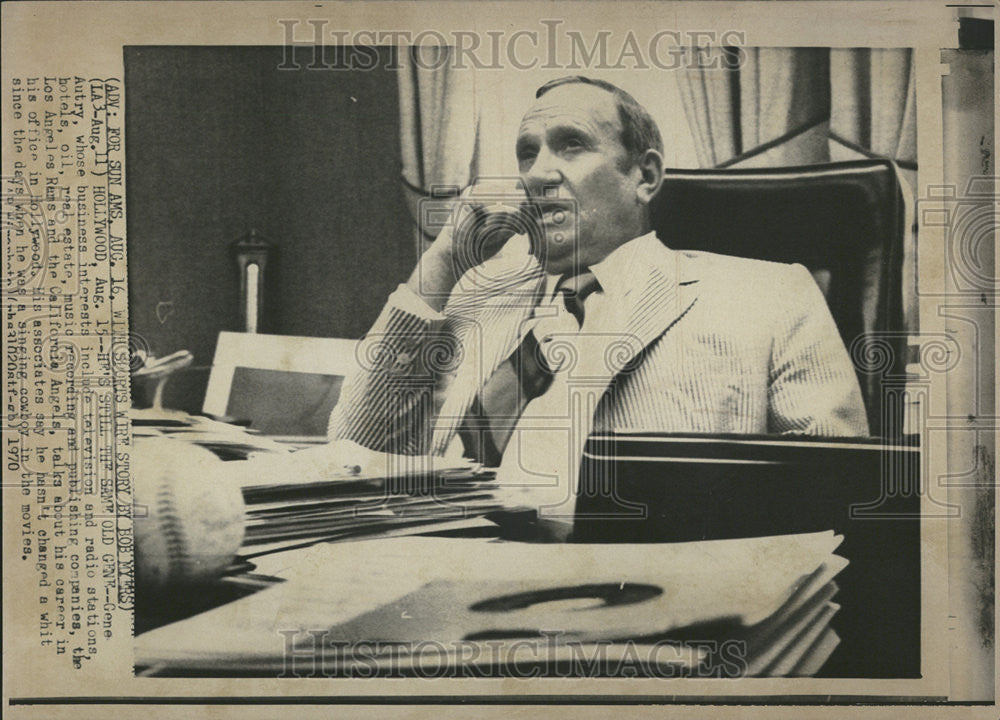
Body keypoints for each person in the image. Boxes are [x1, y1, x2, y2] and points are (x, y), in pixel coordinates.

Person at [328, 76, 868, 512]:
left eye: (571, 144)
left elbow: (831, 499)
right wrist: (440, 265)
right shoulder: (471, 300)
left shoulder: (767, 296)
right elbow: (354, 460)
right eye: (526, 153)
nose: (538, 173)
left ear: (646, 176)